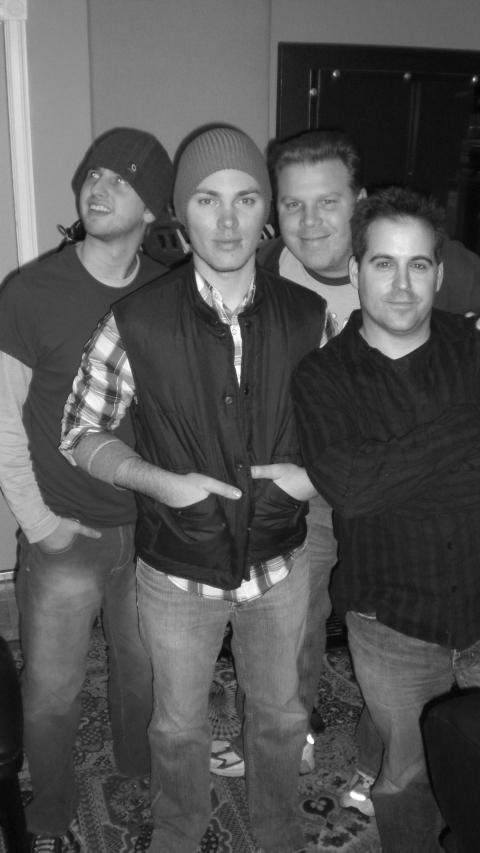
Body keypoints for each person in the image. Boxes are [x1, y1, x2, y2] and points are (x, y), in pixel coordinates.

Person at [60, 126, 326, 853]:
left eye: (246, 199)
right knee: (177, 725)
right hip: (177, 570)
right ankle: (178, 833)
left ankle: (278, 833)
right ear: (180, 212)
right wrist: (160, 482)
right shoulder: (136, 319)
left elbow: (351, 428)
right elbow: (81, 432)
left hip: (280, 564)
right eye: (208, 200)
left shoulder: (310, 317)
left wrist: (315, 475)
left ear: (266, 210)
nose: (229, 221)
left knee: (280, 716)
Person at [258, 128, 480, 806]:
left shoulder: (466, 322)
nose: (402, 286)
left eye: (418, 266)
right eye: (384, 264)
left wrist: (391, 471)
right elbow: (352, 487)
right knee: (402, 772)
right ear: (357, 272)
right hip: (381, 596)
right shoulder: (307, 348)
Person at [0, 127, 173, 853]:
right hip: (65, 531)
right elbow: (2, 421)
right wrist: (41, 526)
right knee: (51, 690)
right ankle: (49, 807)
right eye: (94, 173)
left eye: (121, 180)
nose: (98, 188)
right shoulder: (30, 292)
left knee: (143, 672)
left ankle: (137, 767)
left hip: (152, 533)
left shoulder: (169, 286)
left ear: (152, 208)